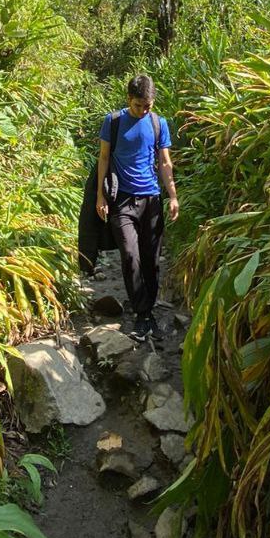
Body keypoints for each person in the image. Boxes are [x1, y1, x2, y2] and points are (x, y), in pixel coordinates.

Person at [95, 74, 179, 344]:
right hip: (122, 201)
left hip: (151, 200)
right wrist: (100, 197)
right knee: (131, 255)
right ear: (128, 99)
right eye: (138, 106)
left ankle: (147, 308)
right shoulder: (114, 122)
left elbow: (165, 162)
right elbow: (104, 158)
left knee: (151, 260)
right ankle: (143, 314)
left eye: (148, 106)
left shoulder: (158, 123)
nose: (143, 111)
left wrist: (173, 196)